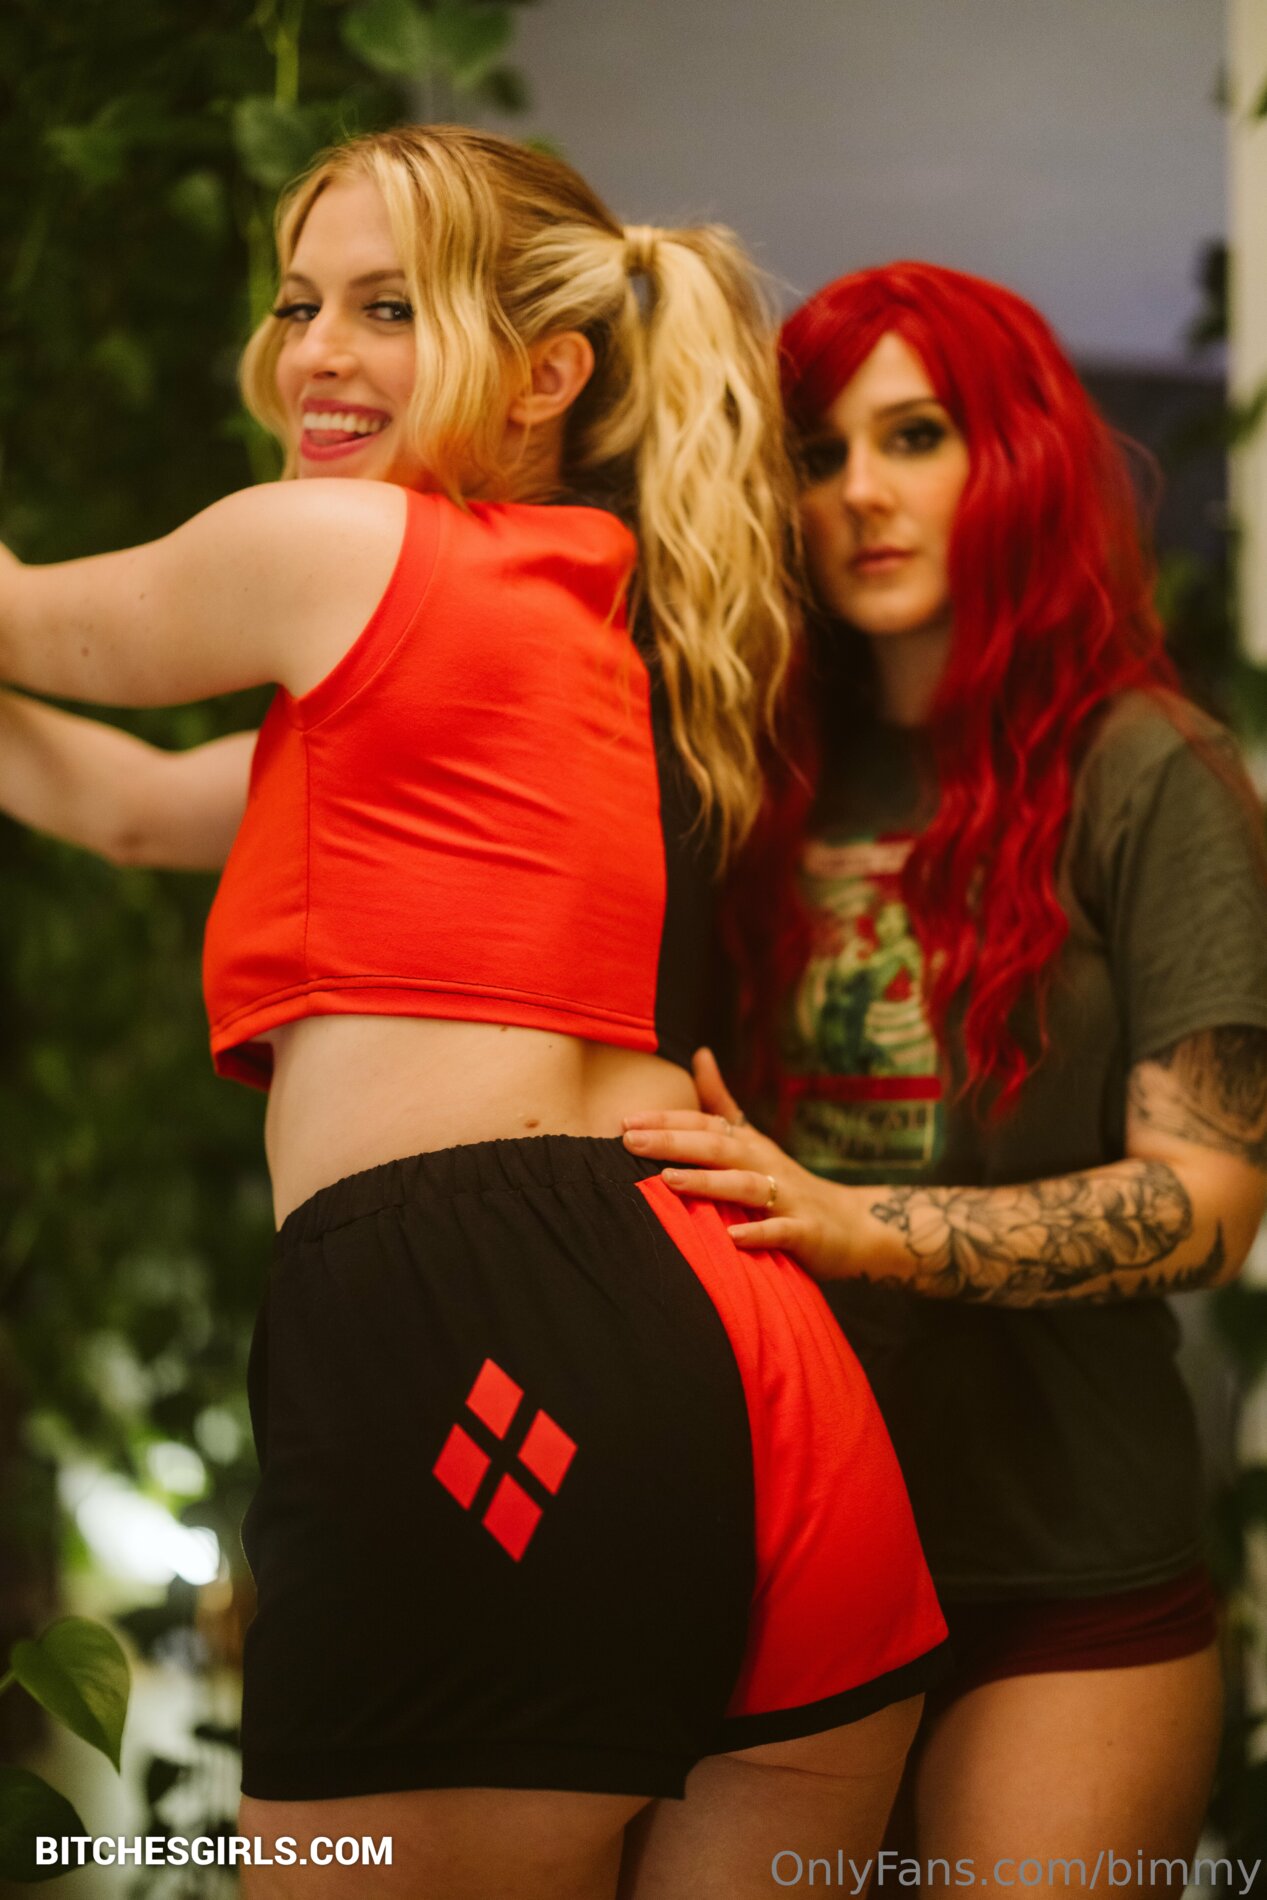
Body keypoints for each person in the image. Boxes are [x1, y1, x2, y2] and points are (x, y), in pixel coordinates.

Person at [0, 137, 948, 1900]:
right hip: (753, 1340)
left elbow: (30, 621)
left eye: (389, 308)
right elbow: (124, 804)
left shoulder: (331, 545)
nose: (316, 353)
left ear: (546, 373)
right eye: (298, 305)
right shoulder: (563, 615)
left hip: (484, 1323)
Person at [620, 262, 1267, 1894]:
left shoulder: (1152, 772)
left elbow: (1210, 1205)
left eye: (915, 436)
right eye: (820, 453)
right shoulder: (746, 767)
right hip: (775, 1553)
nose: (862, 492)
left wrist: (868, 1229)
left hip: (1064, 1577)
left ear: (1019, 460)